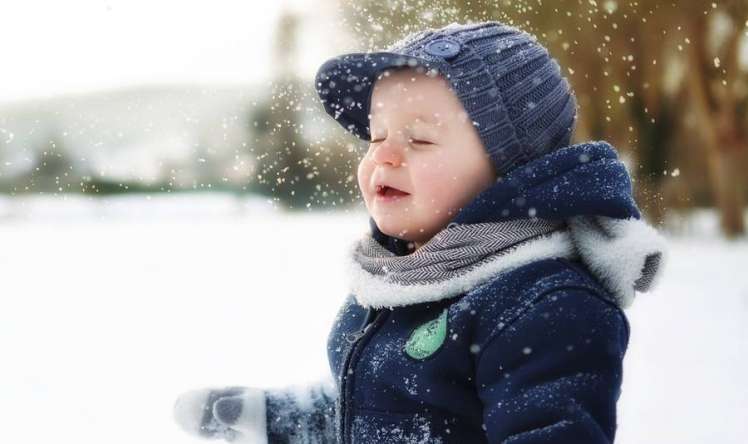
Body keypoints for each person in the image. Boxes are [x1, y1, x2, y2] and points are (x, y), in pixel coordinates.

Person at [173, 20, 668, 444]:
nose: (383, 156)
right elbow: (378, 410)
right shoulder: (407, 278)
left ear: (511, 169)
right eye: (377, 136)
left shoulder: (544, 306)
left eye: (420, 138)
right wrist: (277, 418)